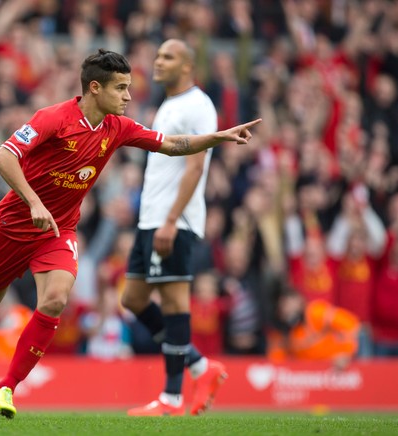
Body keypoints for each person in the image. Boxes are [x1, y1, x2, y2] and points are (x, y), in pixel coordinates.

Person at [0, 48, 260, 419]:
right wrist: (33, 202)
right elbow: (2, 156)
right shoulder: (53, 118)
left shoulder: (119, 128)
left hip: (58, 230)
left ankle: (6, 389)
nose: (128, 96)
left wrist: (218, 137)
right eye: (121, 88)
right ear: (95, 88)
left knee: (55, 300)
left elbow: (172, 145)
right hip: (13, 225)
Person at [120, 39, 227, 417]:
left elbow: (196, 168)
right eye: (158, 55)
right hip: (150, 219)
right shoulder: (168, 103)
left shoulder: (198, 105)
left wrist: (170, 221)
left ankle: (172, 398)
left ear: (187, 66)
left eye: (167, 56)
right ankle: (200, 367)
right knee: (132, 298)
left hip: (173, 222)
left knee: (175, 303)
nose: (157, 61)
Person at [267, 289, 360, 370]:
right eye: (284, 306)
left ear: (300, 302)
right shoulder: (280, 331)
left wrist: (346, 354)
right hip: (308, 376)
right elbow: (276, 359)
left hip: (335, 367)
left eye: (290, 304)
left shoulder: (316, 313)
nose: (287, 309)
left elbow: (351, 325)